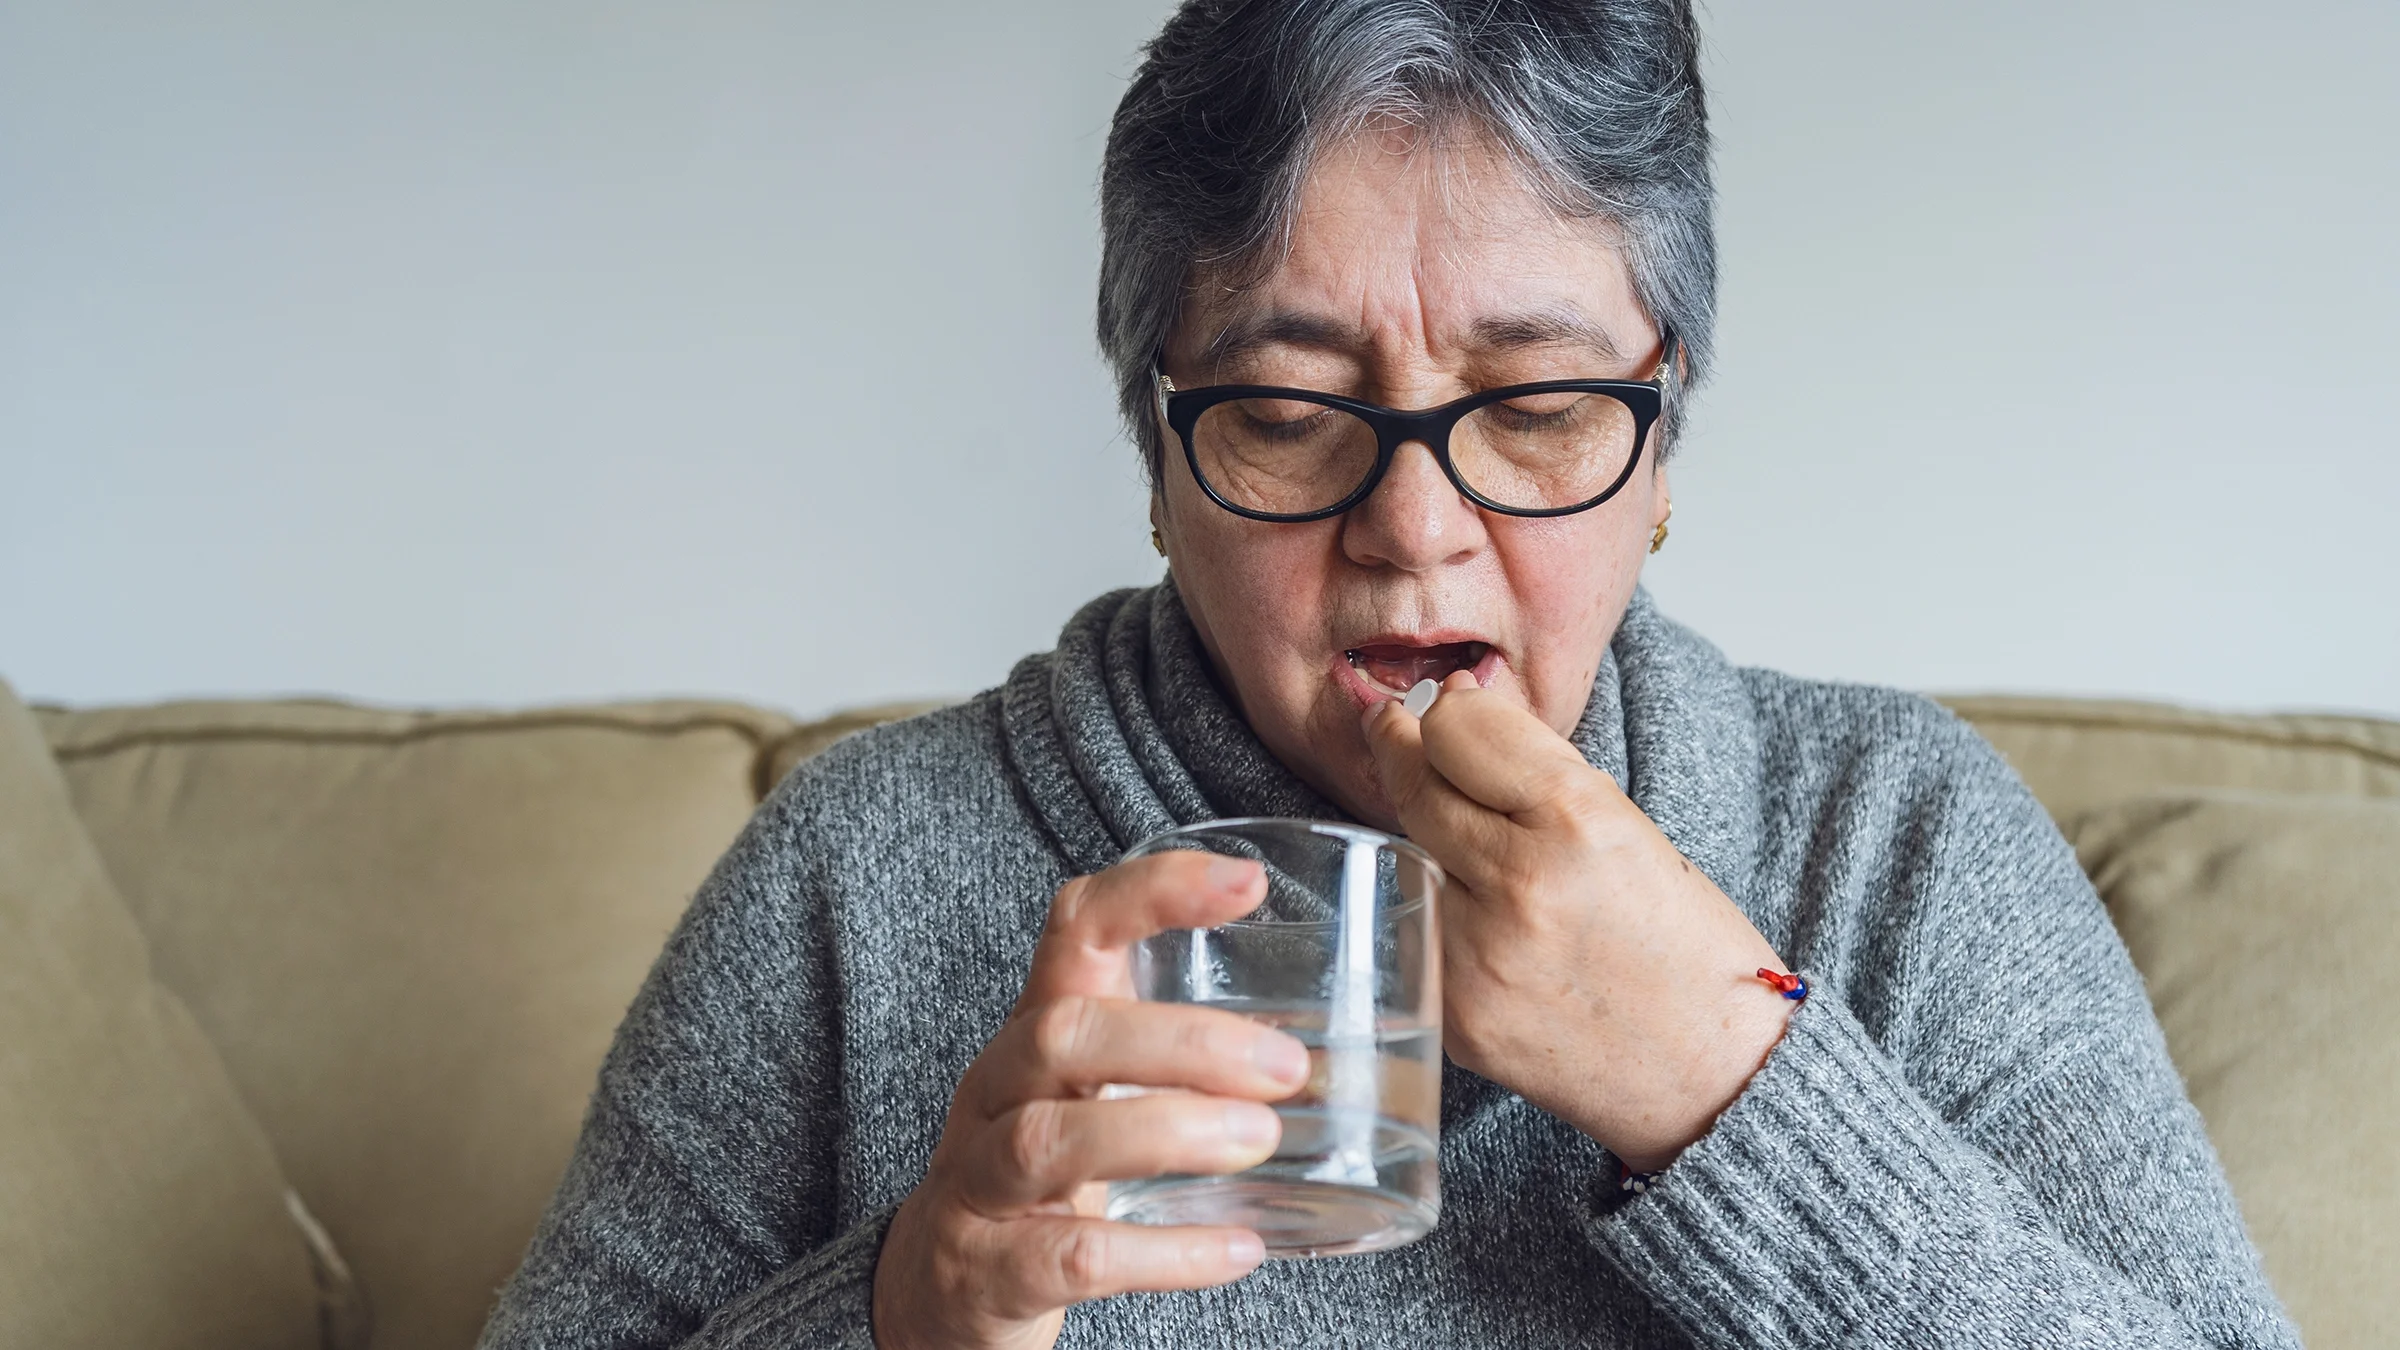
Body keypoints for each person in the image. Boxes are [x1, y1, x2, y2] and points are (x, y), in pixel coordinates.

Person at [479, 2, 2298, 1346]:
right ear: (1157, 453)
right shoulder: (852, 877)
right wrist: (902, 1301)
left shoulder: (1897, 842)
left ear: (1662, 453)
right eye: (1284, 413)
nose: (1415, 530)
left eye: (1536, 409)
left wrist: (1726, 1078)